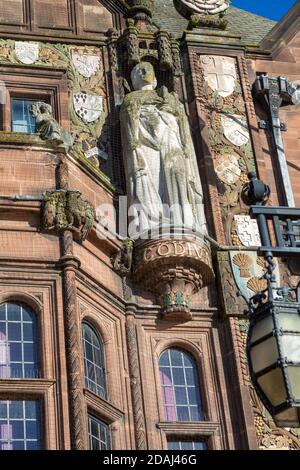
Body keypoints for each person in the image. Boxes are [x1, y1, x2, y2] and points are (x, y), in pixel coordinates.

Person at [120, 61, 207, 236]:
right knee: (149, 180)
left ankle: (185, 220)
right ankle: (151, 221)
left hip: (171, 142)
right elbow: (130, 130)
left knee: (178, 176)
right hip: (146, 146)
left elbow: (183, 128)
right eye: (138, 71)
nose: (143, 71)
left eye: (147, 69)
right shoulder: (131, 99)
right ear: (132, 80)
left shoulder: (171, 98)